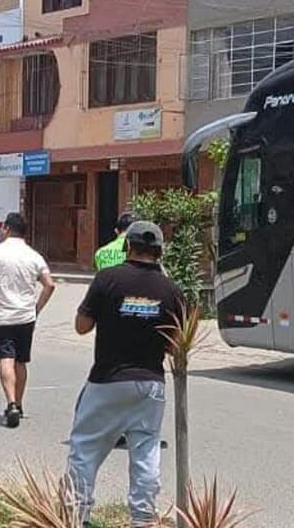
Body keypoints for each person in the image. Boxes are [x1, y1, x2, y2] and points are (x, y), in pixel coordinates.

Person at [66, 221, 185, 528]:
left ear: (127, 247)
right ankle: (143, 520)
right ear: (159, 252)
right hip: (150, 385)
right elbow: (176, 347)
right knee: (146, 453)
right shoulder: (171, 290)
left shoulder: (108, 279)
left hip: (107, 380)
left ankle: (76, 515)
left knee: (85, 449)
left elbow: (82, 326)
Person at [0, 212, 56, 428]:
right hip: (25, 317)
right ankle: (19, 404)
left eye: (2, 228)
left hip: (1, 317)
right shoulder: (34, 256)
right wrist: (36, 308)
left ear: (7, 228)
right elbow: (49, 284)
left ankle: (11, 403)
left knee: (6, 359)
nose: (0, 231)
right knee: (21, 361)